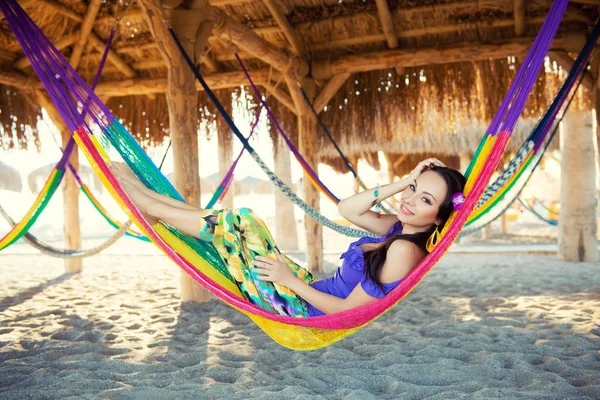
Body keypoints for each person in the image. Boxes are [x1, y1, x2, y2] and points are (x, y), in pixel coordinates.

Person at [108, 158, 466, 317]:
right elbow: (348, 208)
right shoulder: (400, 229)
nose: (409, 200)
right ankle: (150, 202)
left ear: (439, 217)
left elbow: (343, 312)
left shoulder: (403, 249)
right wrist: (406, 180)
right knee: (244, 219)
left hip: (299, 306)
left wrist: (289, 281)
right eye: (413, 190)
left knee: (239, 223)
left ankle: (147, 204)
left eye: (425, 200)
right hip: (306, 287)